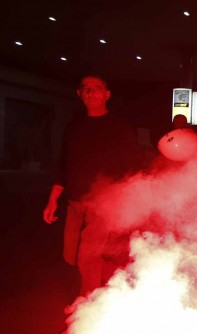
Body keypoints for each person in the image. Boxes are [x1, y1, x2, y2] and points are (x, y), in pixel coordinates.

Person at [42, 74, 140, 296]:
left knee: (87, 256)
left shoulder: (119, 127)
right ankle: (120, 282)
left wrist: (127, 203)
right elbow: (63, 165)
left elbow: (132, 167)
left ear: (106, 94)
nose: (90, 92)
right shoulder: (74, 127)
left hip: (104, 204)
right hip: (76, 202)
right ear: (79, 94)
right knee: (73, 256)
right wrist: (52, 200)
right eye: (85, 88)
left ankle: (87, 311)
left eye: (96, 88)